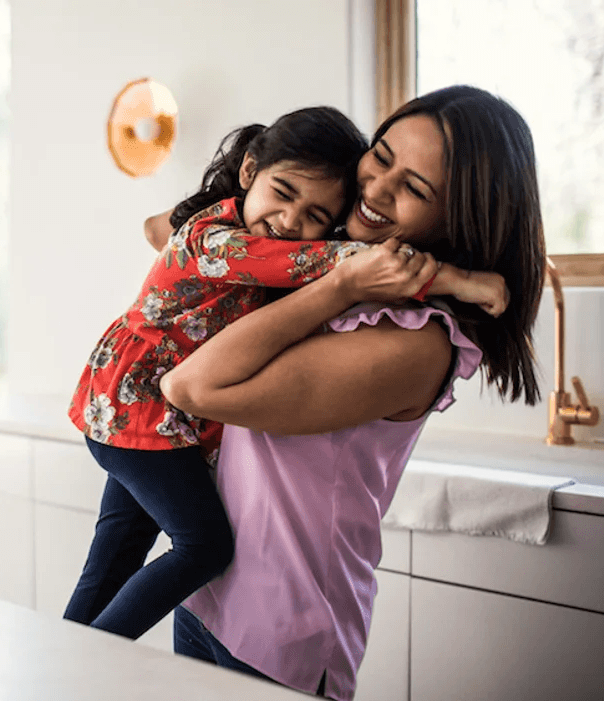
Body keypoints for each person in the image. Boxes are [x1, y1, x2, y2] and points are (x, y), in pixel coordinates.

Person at [157, 85, 546, 701]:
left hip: (281, 630)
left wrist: (340, 286)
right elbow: (170, 237)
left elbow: (191, 386)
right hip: (208, 595)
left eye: (415, 189)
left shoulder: (413, 342)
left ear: (459, 218)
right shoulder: (336, 266)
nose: (375, 189)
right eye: (381, 155)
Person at [64, 106, 507, 642]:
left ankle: (73, 652)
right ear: (249, 172)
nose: (292, 222)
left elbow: (179, 231)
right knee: (200, 547)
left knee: (116, 552)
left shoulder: (235, 231)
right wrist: (459, 280)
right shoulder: (224, 241)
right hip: (137, 409)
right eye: (284, 192)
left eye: (317, 214)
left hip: (141, 414)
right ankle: (86, 663)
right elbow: (334, 264)